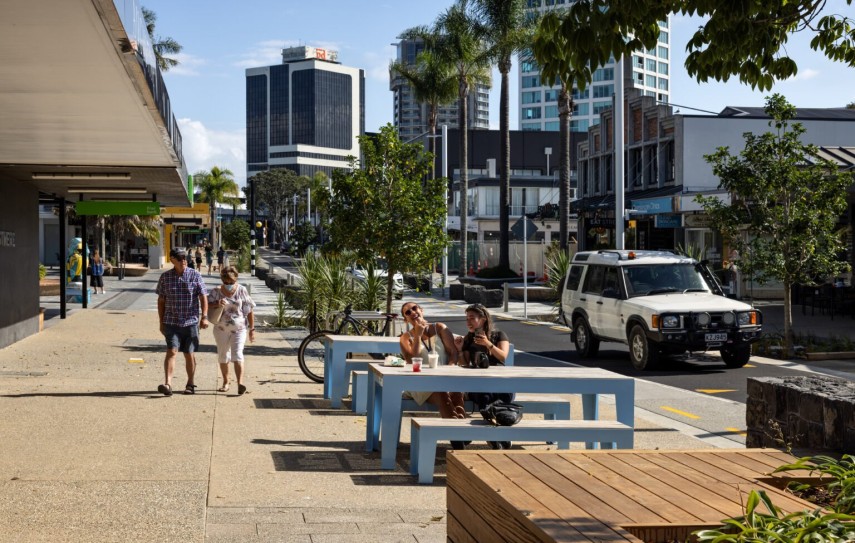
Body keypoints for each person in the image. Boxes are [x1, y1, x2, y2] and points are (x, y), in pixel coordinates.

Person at [399, 302, 469, 448]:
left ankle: (459, 429)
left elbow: (453, 353)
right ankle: (458, 438)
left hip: (446, 378)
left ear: (421, 310)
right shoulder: (405, 338)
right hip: (420, 383)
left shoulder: (439, 328)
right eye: (407, 312)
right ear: (406, 320)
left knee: (457, 391)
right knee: (441, 391)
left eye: (414, 308)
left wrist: (448, 370)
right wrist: (417, 336)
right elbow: (412, 361)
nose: (412, 312)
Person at [155, 247, 209, 396]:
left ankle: (190, 384)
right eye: (179, 258)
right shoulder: (165, 277)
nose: (183, 261)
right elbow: (161, 300)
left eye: (185, 258)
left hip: (190, 322)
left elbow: (203, 296)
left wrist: (204, 317)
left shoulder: (195, 275)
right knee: (172, 351)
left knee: (189, 353)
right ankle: (168, 384)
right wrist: (161, 322)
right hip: (171, 321)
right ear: (172, 259)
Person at [460, 303, 513, 449]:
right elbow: (463, 364)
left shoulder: (499, 336)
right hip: (477, 382)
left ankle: (493, 435)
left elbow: (503, 357)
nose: (468, 322)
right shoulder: (468, 339)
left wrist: (488, 343)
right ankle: (497, 436)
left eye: (471, 318)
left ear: (483, 319)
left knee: (505, 394)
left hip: (498, 380)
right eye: (467, 319)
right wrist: (460, 349)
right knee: (484, 396)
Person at [207, 265, 256, 395]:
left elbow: (249, 309)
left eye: (231, 282)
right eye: (226, 282)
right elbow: (206, 305)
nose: (228, 284)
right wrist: (217, 303)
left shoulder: (242, 290)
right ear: (222, 280)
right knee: (223, 355)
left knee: (238, 354)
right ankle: (226, 381)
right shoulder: (216, 291)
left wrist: (252, 328)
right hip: (221, 328)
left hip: (239, 328)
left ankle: (240, 384)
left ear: (236, 279)